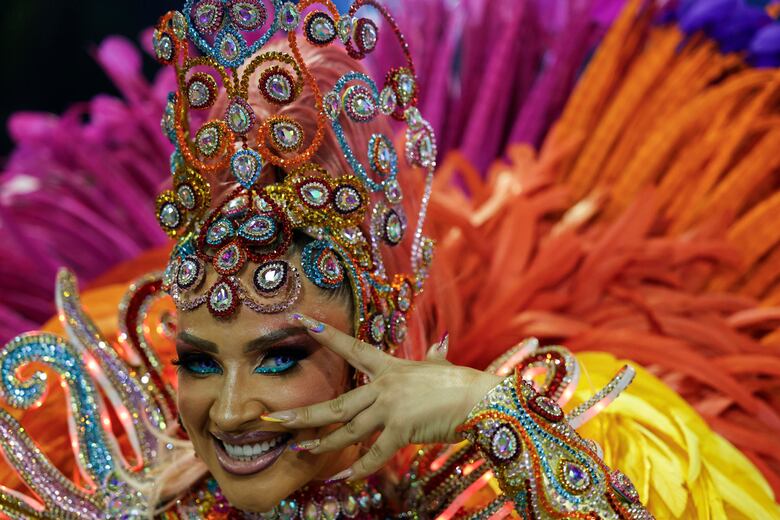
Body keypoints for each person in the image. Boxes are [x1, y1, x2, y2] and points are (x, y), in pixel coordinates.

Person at [1, 0, 779, 518]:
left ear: (373, 352)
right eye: (201, 362)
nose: (230, 412)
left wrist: (492, 412)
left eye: (280, 359)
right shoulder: (122, 499)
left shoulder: (485, 491)